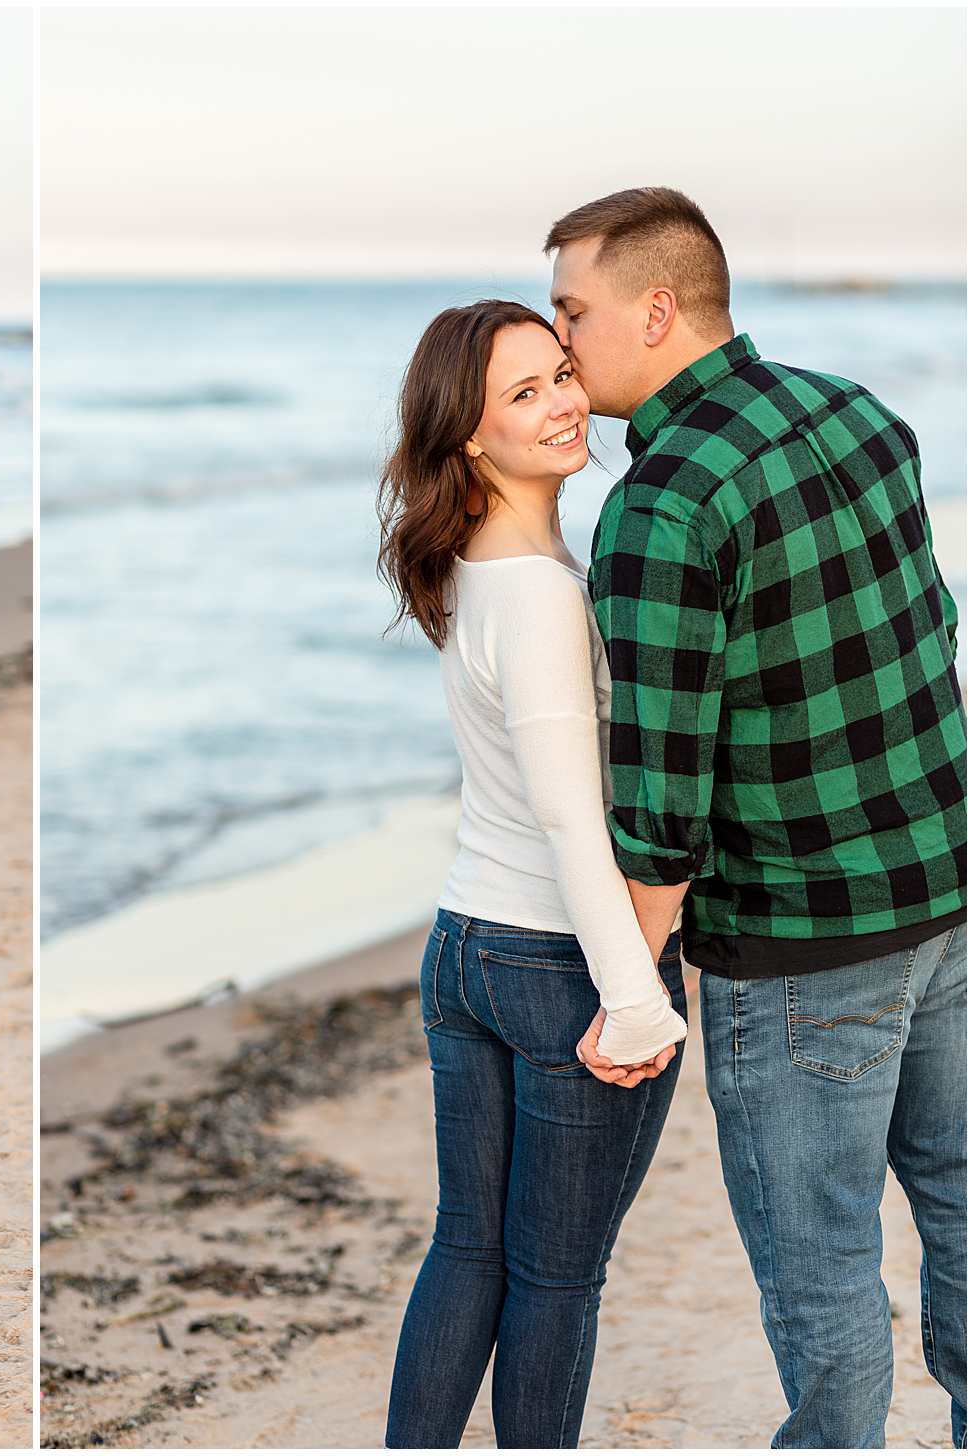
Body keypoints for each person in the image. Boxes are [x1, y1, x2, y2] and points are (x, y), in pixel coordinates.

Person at [549, 186, 967, 1448]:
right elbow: (926, 639)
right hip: (937, 903)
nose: (558, 342)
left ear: (656, 309)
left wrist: (627, 987)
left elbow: (660, 803)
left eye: (572, 312)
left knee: (822, 1261)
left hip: (796, 951)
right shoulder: (854, 410)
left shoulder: (661, 502)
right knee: (954, 1202)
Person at [376, 300, 690, 1448]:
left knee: (468, 1243)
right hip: (555, 965)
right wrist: (633, 993)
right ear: (467, 434)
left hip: (461, 946)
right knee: (554, 1279)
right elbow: (568, 816)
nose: (563, 403)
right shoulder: (547, 593)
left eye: (560, 373)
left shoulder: (469, 567)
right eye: (522, 393)